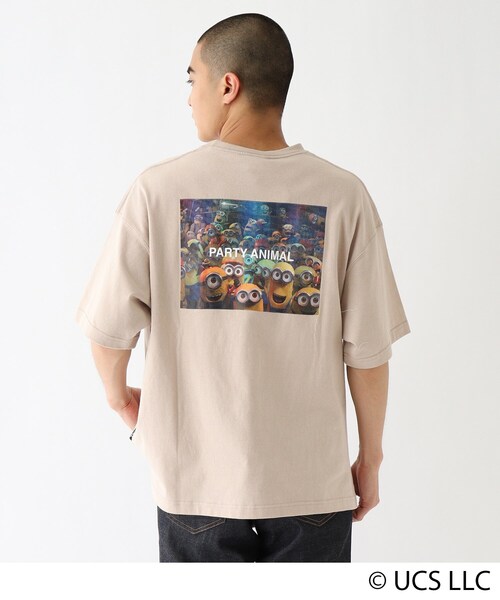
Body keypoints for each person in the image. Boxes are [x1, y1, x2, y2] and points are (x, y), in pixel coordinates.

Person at [75, 13, 410, 562]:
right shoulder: (344, 196)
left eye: (193, 79)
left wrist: (121, 400)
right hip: (312, 488)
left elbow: (108, 332)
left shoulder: (158, 191)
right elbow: (369, 352)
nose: (189, 97)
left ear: (227, 85)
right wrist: (370, 459)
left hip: (196, 484)